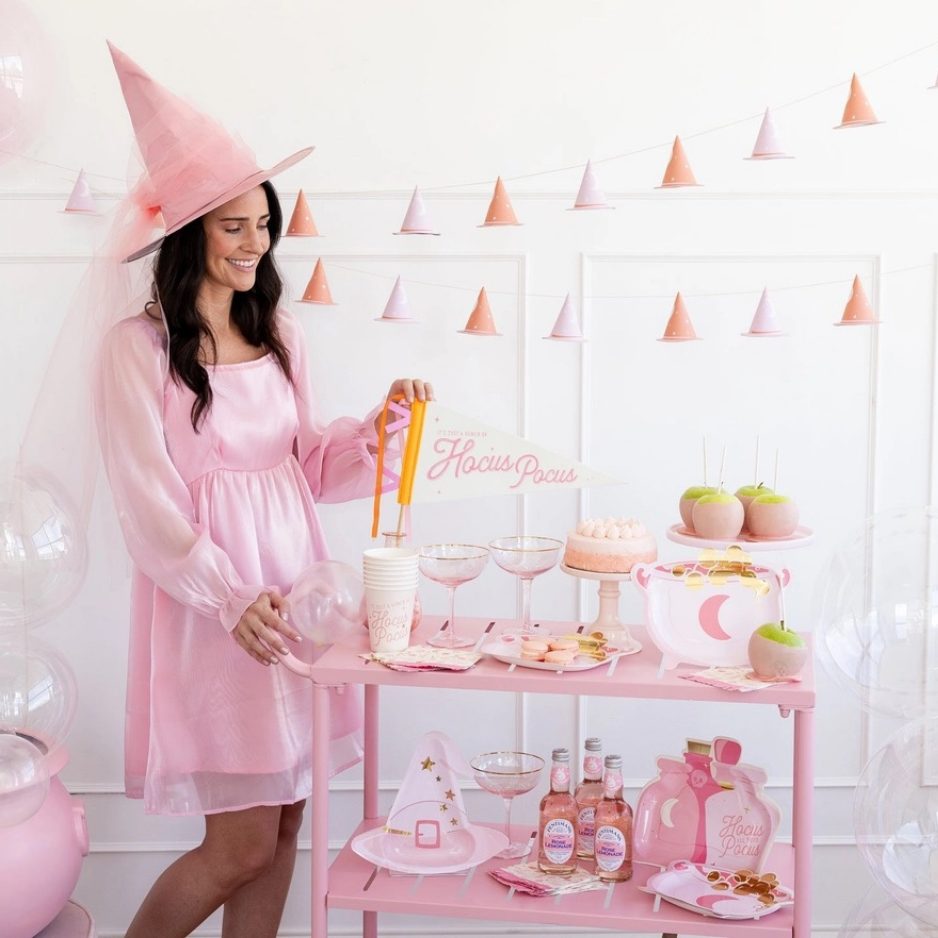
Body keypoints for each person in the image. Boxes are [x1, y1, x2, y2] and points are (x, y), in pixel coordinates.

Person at [93, 45, 432, 937]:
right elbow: (147, 508)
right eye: (234, 226)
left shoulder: (277, 331)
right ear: (190, 233)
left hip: (298, 600)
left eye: (263, 223)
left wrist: (379, 426)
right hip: (222, 613)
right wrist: (231, 597)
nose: (256, 243)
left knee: (285, 825)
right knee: (238, 843)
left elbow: (308, 467)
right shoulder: (138, 350)